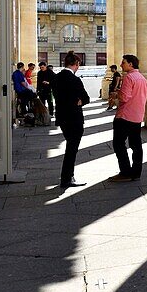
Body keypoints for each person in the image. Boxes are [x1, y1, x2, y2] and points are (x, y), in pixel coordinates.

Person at [53, 52, 91, 189]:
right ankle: (66, 178)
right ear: (76, 64)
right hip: (74, 118)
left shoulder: (56, 78)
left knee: (70, 146)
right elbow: (86, 98)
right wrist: (79, 101)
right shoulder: (75, 80)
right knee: (72, 149)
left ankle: (69, 176)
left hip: (62, 118)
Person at [110, 54, 147, 182]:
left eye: (124, 62)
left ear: (131, 64)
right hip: (137, 116)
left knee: (118, 144)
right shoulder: (142, 78)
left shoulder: (129, 77)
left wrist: (116, 94)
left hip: (125, 116)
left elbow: (124, 97)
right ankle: (136, 173)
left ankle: (125, 172)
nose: (121, 64)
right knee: (136, 145)